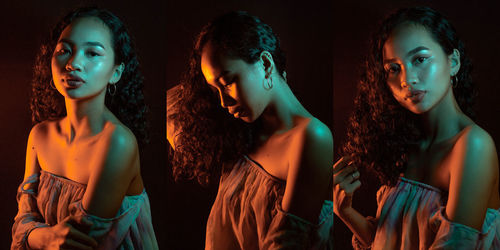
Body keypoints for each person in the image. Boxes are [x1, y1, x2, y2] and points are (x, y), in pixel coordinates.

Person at [333, 6, 500, 249]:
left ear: (453, 62)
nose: (406, 79)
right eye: (393, 68)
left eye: (420, 59)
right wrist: (345, 211)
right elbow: (392, 240)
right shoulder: (405, 143)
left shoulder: (473, 145)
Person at [167, 11, 334, 249]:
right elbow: (169, 107)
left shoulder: (311, 137)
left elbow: (286, 243)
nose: (224, 102)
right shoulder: (239, 133)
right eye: (215, 90)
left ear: (266, 63)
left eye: (227, 82)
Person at [11, 7, 158, 250]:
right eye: (64, 51)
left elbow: (81, 241)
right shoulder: (40, 135)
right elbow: (22, 221)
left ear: (116, 72)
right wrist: (45, 238)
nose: (73, 63)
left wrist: (37, 237)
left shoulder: (117, 142)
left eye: (92, 53)